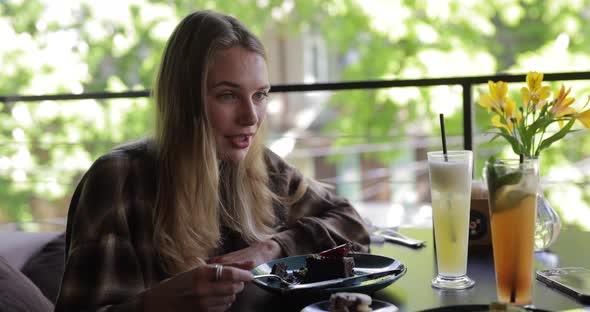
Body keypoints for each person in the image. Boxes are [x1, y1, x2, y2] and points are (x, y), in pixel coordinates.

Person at [55, 10, 370, 312]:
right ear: (184, 102)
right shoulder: (118, 181)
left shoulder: (262, 167)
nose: (251, 118)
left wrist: (273, 248)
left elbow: (353, 226)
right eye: (228, 95)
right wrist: (160, 304)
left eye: (260, 95)